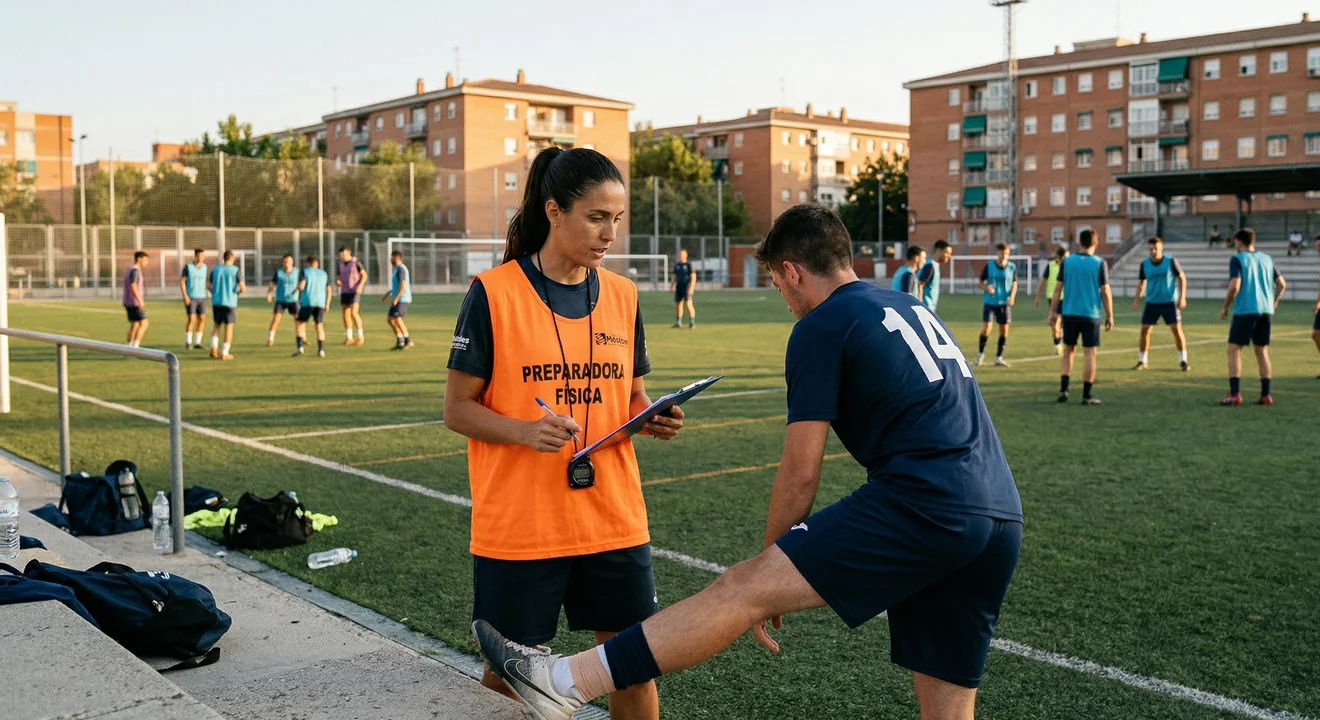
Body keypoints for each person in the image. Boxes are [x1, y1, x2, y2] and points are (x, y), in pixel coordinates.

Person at [473, 204, 1023, 720]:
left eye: (779, 282)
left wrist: (770, 568)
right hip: (999, 512)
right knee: (949, 706)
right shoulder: (908, 305)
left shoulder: (821, 325)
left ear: (793, 270)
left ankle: (563, 682)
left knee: (740, 590)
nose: (783, 296)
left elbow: (801, 468)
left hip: (925, 502)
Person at [444, 147, 685, 720]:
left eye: (617, 220)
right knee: (506, 679)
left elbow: (629, 394)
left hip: (614, 516)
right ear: (554, 211)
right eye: (597, 218)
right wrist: (525, 431)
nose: (610, 234)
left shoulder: (623, 296)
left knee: (632, 664)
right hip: (523, 525)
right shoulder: (493, 293)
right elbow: (457, 409)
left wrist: (650, 415)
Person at [1220, 229, 1286, 406]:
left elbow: (1235, 284)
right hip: (1266, 310)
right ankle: (1266, 395)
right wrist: (1274, 301)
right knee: (1262, 351)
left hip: (1246, 310)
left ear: (1239, 242)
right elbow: (1282, 284)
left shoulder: (1238, 259)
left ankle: (1235, 394)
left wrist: (1225, 306)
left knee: (1234, 349)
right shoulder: (1267, 258)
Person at [1048, 229, 1113, 405]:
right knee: (1090, 353)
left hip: (1069, 313)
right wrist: (1109, 314)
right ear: (1096, 242)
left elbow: (1057, 289)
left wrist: (1052, 313)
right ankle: (1086, 395)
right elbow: (1105, 291)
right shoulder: (1099, 263)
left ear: (1080, 242)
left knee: (1068, 351)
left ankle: (1063, 390)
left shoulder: (1067, 262)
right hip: (1090, 314)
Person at [1131, 237, 1189, 371]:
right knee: (1144, 331)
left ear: (1161, 248)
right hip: (1152, 302)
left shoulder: (1170, 261)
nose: (1153, 251)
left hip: (1170, 302)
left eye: (1155, 248)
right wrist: (1136, 299)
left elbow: (1182, 278)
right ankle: (1142, 360)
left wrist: (1182, 298)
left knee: (1176, 330)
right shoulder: (1144, 264)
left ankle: (1183, 361)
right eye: (1151, 249)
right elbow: (1141, 282)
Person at [976, 243, 1017, 367]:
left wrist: (1012, 297)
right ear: (997, 253)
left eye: (1006, 253)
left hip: (1004, 303)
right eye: (1001, 253)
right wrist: (986, 288)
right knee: (986, 328)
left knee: (1004, 331)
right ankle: (980, 354)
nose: (1003, 255)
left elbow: (1015, 283)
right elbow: (979, 282)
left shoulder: (1011, 267)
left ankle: (999, 357)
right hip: (990, 302)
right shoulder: (989, 266)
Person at [207, 250, 245, 360]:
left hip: (217, 301)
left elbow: (208, 285)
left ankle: (213, 349)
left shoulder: (215, 269)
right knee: (229, 327)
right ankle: (224, 352)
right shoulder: (235, 270)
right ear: (232, 258)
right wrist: (236, 292)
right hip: (230, 302)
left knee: (216, 325)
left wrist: (215, 292)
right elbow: (243, 288)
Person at [293, 255, 332, 358]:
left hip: (308, 302)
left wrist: (296, 290)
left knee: (300, 323)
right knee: (319, 325)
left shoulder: (304, 271)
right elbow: (329, 290)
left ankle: (300, 347)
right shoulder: (324, 274)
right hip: (320, 303)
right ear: (317, 264)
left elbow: (302, 285)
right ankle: (321, 350)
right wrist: (327, 304)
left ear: (308, 263)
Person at [1035, 246, 1068, 355]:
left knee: (1061, 322)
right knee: (1056, 321)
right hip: (1053, 298)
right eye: (1066, 257)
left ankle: (1058, 342)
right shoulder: (1050, 266)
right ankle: (1057, 343)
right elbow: (1042, 281)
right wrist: (1038, 296)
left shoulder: (1069, 266)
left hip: (1066, 298)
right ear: (1060, 257)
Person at [265, 254, 301, 347]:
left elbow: (302, 283)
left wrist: (300, 288)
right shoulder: (279, 272)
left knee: (298, 320)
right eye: (285, 261)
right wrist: (269, 293)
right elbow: (272, 283)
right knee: (275, 320)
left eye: (288, 261)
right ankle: (270, 339)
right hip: (280, 300)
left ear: (292, 262)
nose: (286, 263)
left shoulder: (297, 272)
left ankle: (301, 337)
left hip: (293, 300)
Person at [382, 250, 414, 350]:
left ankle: (408, 340)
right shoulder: (396, 269)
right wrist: (388, 294)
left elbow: (402, 285)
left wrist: (396, 298)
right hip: (398, 298)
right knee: (390, 319)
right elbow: (396, 286)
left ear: (398, 258)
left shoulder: (401, 269)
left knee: (397, 318)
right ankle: (400, 340)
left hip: (402, 298)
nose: (391, 259)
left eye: (393, 257)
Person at [336, 246, 367, 346]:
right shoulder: (340, 264)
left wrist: (360, 286)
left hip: (354, 291)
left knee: (354, 313)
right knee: (345, 314)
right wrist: (339, 281)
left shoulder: (356, 263)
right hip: (345, 291)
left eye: (344, 254)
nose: (342, 256)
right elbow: (339, 276)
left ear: (349, 252)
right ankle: (349, 337)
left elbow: (364, 275)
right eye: (341, 255)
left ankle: (360, 336)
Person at [179, 248, 208, 350]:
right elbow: (182, 281)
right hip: (191, 297)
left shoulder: (205, 267)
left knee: (202, 319)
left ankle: (197, 342)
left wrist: (209, 293)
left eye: (203, 256)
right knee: (191, 319)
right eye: (199, 256)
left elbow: (205, 283)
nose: (201, 258)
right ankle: (188, 342)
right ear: (195, 256)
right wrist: (185, 296)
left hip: (202, 297)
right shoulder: (188, 267)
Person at [123, 251, 150, 348]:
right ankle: (136, 346)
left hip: (128, 301)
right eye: (145, 260)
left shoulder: (130, 269)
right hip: (134, 302)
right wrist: (140, 301)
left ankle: (128, 346)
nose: (147, 262)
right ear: (139, 259)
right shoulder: (135, 270)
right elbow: (133, 285)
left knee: (135, 324)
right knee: (144, 323)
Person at [917, 240, 952, 314]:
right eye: (947, 253)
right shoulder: (930, 266)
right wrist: (919, 305)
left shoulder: (935, 266)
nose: (949, 256)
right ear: (939, 250)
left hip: (929, 309)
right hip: (925, 309)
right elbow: (920, 284)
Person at [670, 248, 695, 329]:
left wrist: (691, 287)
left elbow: (693, 277)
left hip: (686, 287)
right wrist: (671, 286)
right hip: (679, 287)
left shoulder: (688, 265)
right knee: (678, 304)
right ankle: (678, 322)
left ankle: (692, 322)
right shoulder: (677, 265)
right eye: (679, 254)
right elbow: (674, 276)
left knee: (688, 304)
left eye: (682, 254)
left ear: (685, 255)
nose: (680, 256)